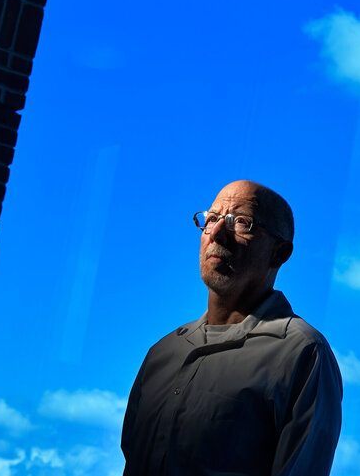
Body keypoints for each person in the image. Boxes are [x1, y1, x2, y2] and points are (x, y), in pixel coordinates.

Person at [121, 180, 342, 475]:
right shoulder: (162, 353)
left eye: (241, 222)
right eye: (211, 218)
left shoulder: (302, 353)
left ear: (279, 253)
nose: (216, 232)